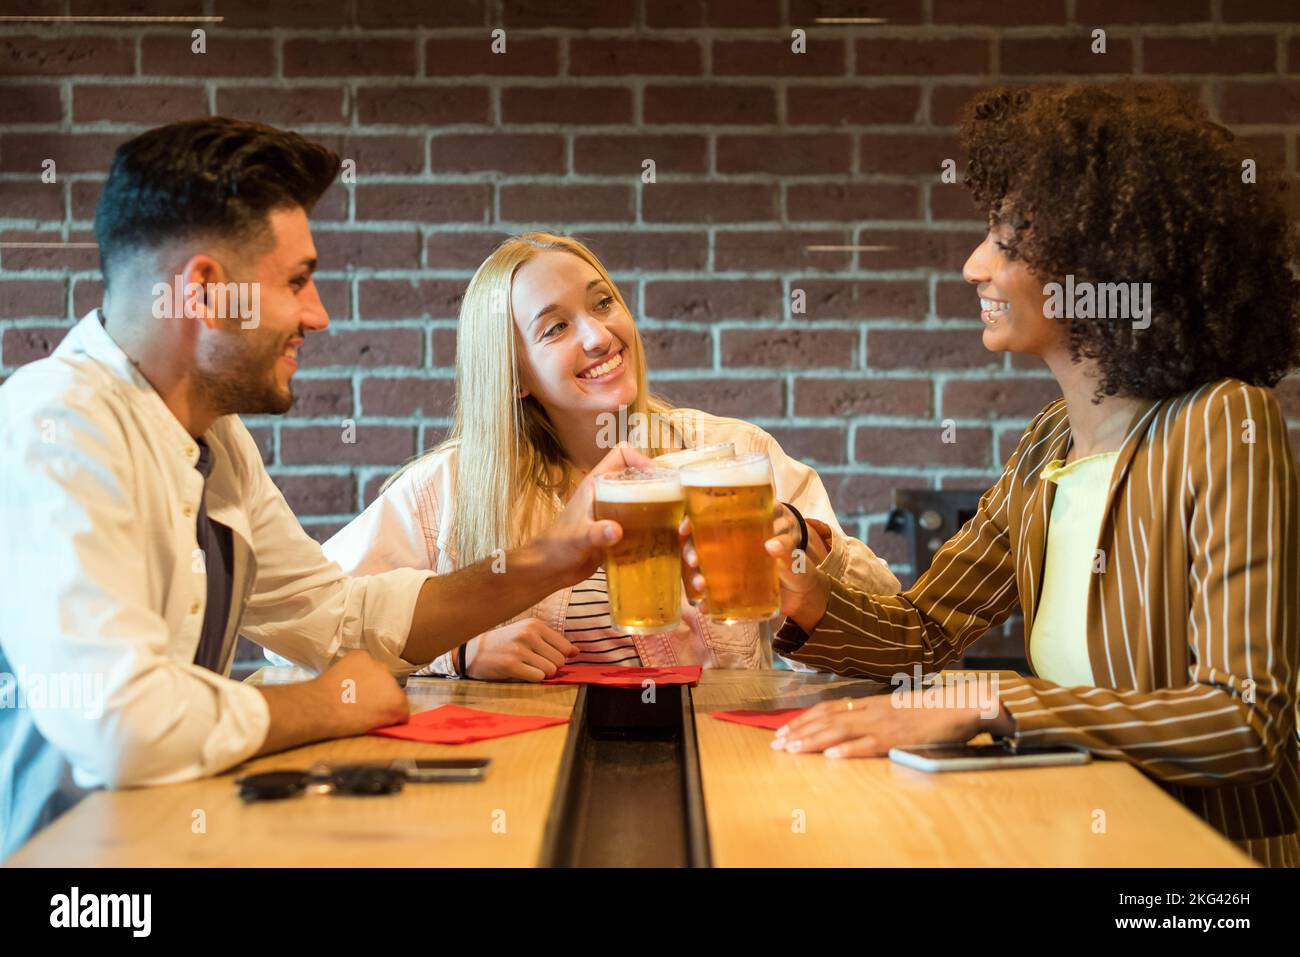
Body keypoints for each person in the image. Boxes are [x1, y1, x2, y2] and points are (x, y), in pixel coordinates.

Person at [693, 85, 1300, 866]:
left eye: (1007, 243)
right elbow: (925, 634)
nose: (974, 264)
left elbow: (1246, 722)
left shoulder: (1224, 422)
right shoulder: (1048, 442)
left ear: (1108, 264)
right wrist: (807, 591)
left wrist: (989, 700)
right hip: (1080, 833)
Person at [0, 119, 640, 859]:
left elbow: (335, 617)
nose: (318, 313)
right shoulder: (54, 423)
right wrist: (329, 701)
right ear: (206, 293)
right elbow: (122, 724)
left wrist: (554, 557)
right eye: (297, 281)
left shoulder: (217, 441)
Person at [318, 232, 900, 680]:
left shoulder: (736, 455)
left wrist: (807, 551)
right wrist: (454, 651)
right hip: (534, 776)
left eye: (603, 303)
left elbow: (887, 628)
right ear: (513, 374)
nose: (598, 337)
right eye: (555, 328)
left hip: (723, 763)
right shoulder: (449, 487)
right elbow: (310, 626)